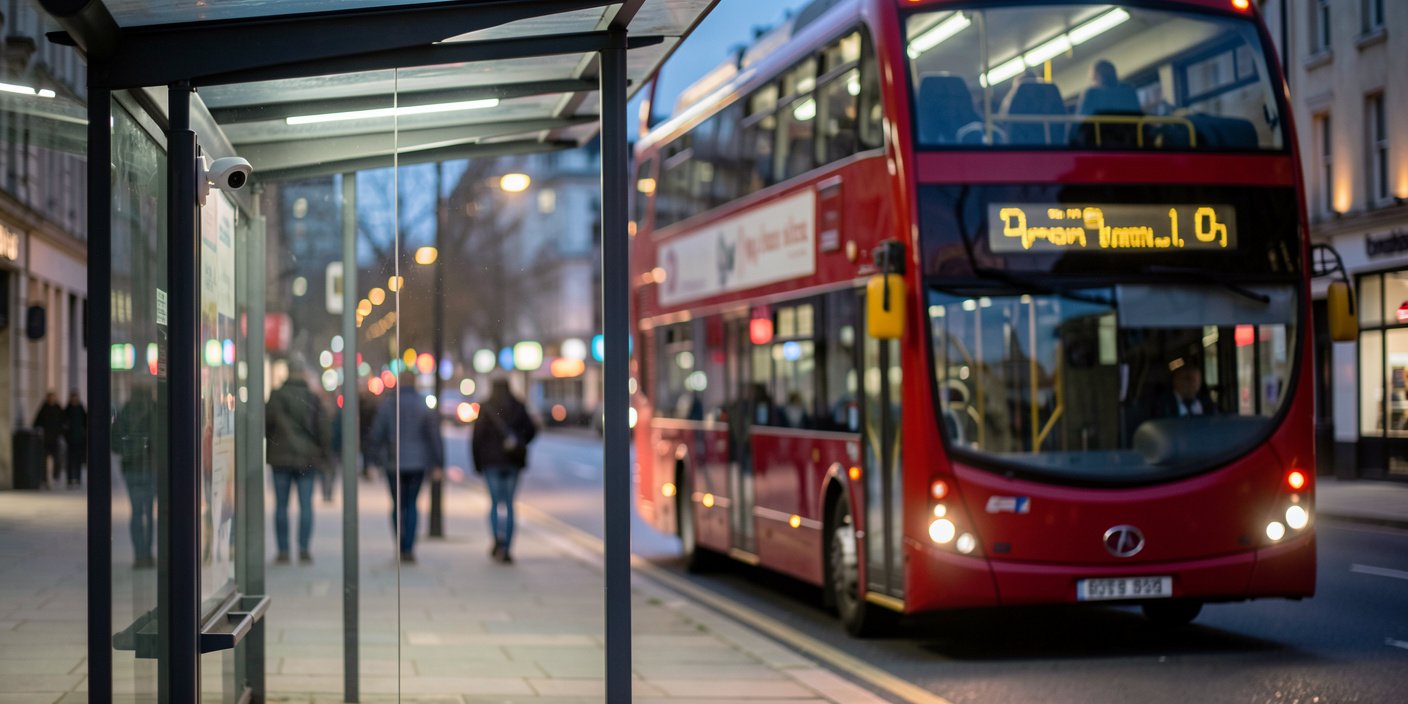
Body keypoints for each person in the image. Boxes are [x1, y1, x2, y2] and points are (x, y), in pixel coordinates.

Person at [369, 370, 444, 563]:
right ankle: (409, 547)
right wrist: (438, 463)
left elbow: (377, 434)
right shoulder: (423, 404)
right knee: (412, 504)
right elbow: (433, 436)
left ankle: (400, 544)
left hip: (394, 463)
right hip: (417, 463)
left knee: (397, 505)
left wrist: (372, 461)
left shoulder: (388, 404)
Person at [265, 359, 330, 564]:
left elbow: (265, 425)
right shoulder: (312, 398)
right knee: (306, 505)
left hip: (280, 458)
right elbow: (323, 429)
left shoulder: (276, 396)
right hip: (307, 459)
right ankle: (303, 548)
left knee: (281, 506)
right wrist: (324, 453)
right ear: (303, 376)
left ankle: (283, 550)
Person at [472, 378, 537, 563]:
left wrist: (477, 463)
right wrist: (520, 442)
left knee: (494, 503)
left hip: (491, 462)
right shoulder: (518, 405)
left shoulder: (486, 406)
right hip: (512, 461)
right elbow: (532, 429)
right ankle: (507, 547)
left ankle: (497, 540)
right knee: (509, 504)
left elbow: (477, 437)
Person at [114, 387, 157, 568]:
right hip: (151, 469)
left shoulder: (125, 412)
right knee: (149, 511)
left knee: (136, 512)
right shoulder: (155, 412)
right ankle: (147, 553)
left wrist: (128, 452)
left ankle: (139, 556)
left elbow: (114, 440)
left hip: (131, 469)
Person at [34, 391, 65, 489]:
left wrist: (62, 432)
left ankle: (56, 477)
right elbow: (36, 422)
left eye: (53, 397)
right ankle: (44, 479)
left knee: (57, 459)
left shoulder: (58, 409)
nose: (51, 399)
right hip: (45, 439)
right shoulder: (44, 408)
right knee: (43, 460)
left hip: (55, 438)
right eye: (50, 398)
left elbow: (63, 422)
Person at [63, 390, 87, 488]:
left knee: (78, 460)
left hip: (79, 439)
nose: (74, 399)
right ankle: (69, 479)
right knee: (70, 460)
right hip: (70, 440)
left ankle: (77, 478)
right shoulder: (67, 409)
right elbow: (63, 423)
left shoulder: (81, 409)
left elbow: (85, 422)